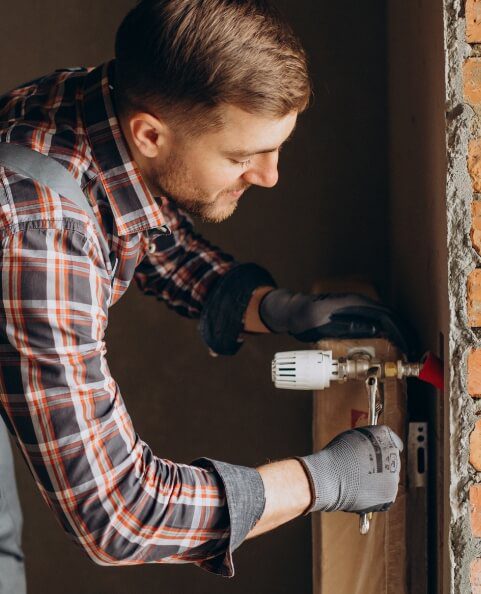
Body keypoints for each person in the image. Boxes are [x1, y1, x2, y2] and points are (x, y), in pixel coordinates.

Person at [0, 1, 405, 591]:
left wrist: (261, 304)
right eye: (243, 156)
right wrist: (322, 480)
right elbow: (119, 514)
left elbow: (121, 211)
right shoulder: (39, 234)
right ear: (150, 134)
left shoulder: (98, 104)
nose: (270, 176)